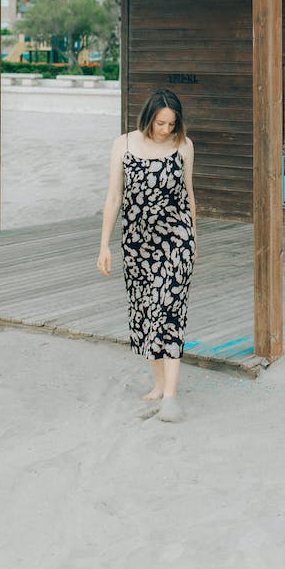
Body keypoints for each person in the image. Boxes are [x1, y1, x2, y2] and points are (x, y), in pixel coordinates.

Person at [97, 88, 197, 422]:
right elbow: (114, 197)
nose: (166, 129)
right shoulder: (123, 145)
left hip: (175, 240)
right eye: (160, 123)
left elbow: (189, 195)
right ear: (148, 118)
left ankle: (170, 396)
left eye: (171, 123)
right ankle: (159, 383)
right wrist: (104, 245)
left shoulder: (183, 146)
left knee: (169, 308)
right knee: (145, 310)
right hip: (137, 244)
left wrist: (193, 239)